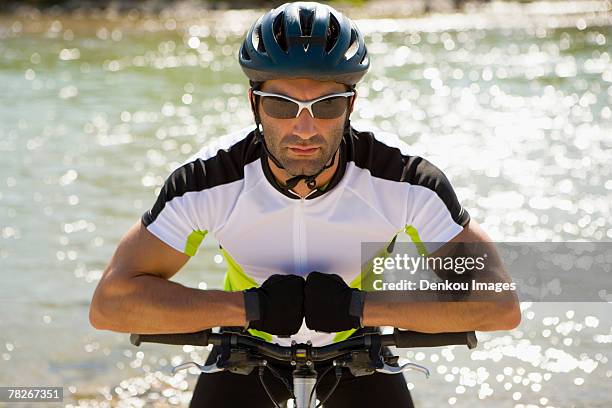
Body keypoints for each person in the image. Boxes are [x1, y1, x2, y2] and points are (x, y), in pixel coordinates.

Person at [89, 2, 521, 406]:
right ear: (254, 103)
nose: (304, 128)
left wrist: (358, 307)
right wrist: (249, 308)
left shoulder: (404, 179)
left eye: (327, 104)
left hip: (359, 347)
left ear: (351, 104)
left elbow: (499, 304)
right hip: (245, 344)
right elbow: (111, 302)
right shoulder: (207, 181)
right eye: (281, 104)